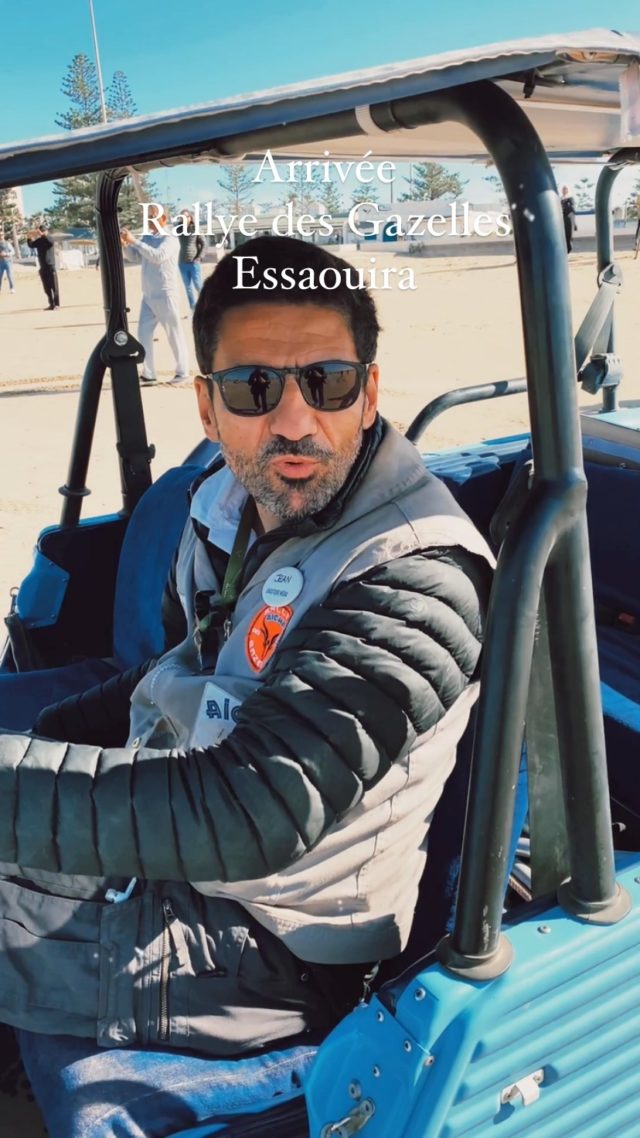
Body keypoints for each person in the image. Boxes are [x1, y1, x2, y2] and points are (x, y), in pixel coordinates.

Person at [0, 235, 494, 1138]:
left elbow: (254, 812)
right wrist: (46, 741)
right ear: (208, 405)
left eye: (328, 383)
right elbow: (183, 667)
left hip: (276, 945)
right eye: (254, 388)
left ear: (369, 393)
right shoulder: (231, 506)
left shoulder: (417, 575)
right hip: (176, 865)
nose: (295, 420)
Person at [121, 205, 190, 384]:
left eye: (152, 217)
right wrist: (126, 245)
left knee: (174, 334)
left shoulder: (170, 239)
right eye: (148, 217)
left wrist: (135, 241)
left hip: (166, 293)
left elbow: (157, 256)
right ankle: (149, 373)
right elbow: (136, 257)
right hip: (149, 295)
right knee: (143, 333)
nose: (149, 220)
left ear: (164, 219)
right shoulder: (148, 237)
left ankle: (182, 372)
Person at [26, 223, 60, 309]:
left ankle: (56, 304)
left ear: (46, 231)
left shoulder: (50, 238)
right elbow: (31, 245)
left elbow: (50, 242)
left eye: (43, 231)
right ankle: (51, 304)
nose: (42, 232)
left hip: (50, 266)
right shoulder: (39, 241)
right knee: (46, 288)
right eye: (41, 231)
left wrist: (42, 234)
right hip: (43, 266)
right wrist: (29, 237)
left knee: (54, 287)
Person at [177, 209, 205, 310]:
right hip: (182, 263)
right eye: (182, 217)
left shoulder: (195, 229)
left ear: (190, 218)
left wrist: (199, 257)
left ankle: (204, 306)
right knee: (188, 288)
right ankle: (193, 309)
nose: (184, 219)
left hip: (194, 262)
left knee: (198, 286)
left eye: (186, 216)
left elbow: (204, 243)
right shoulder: (178, 230)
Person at [560, 185, 577, 253]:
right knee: (564, 234)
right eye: (563, 189)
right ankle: (566, 248)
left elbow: (572, 208)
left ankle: (569, 248)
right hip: (563, 217)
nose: (564, 190)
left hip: (569, 217)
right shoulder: (560, 198)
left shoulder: (570, 198)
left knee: (569, 233)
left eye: (565, 189)